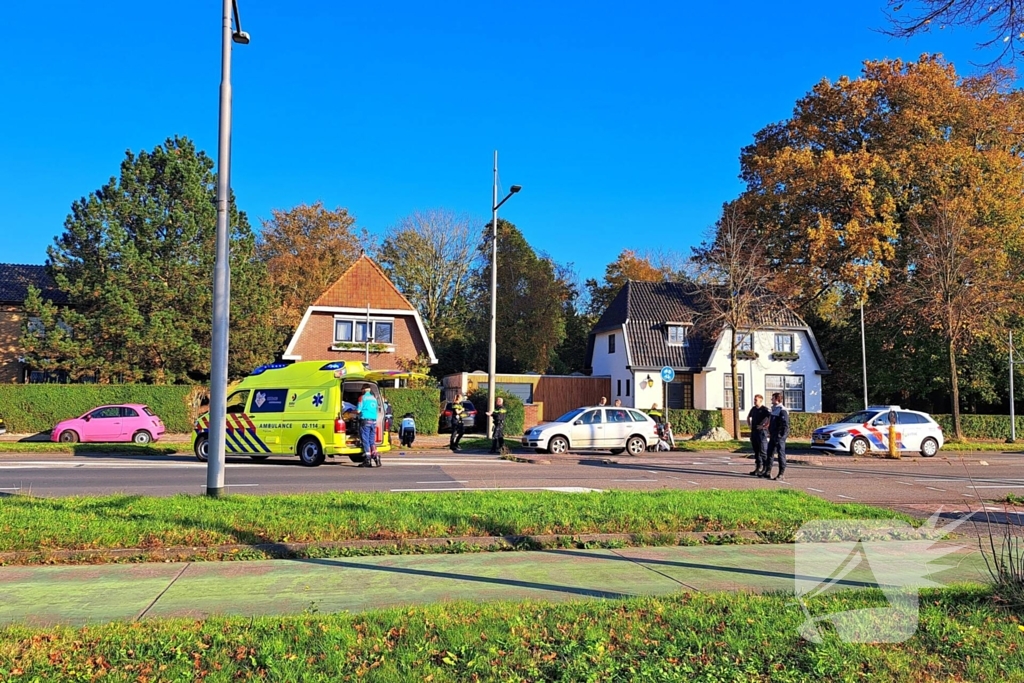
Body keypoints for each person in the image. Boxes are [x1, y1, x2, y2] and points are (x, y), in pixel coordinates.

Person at [763, 392, 790, 481]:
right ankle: (767, 471)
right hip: (773, 435)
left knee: (780, 454)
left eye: (773, 398)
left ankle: (781, 474)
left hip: (779, 436)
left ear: (777, 399)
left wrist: (781, 436)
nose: (771, 400)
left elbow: (785, 425)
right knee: (769, 453)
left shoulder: (782, 410)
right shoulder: (774, 409)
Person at [747, 394, 771, 477]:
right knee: (756, 451)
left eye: (756, 400)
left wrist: (764, 426)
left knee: (763, 451)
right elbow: (748, 417)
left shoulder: (765, 410)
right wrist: (749, 425)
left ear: (761, 400)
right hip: (754, 432)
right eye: (754, 399)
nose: (754, 401)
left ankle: (765, 468)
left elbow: (770, 418)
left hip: (762, 433)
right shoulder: (753, 409)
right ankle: (758, 468)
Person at [357, 386, 381, 467]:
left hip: (365, 421)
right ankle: (376, 457)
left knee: (365, 440)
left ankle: (367, 459)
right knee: (372, 440)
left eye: (361, 390)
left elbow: (358, 411)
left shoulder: (362, 398)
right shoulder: (374, 398)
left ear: (363, 390)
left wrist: (349, 411)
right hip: (373, 421)